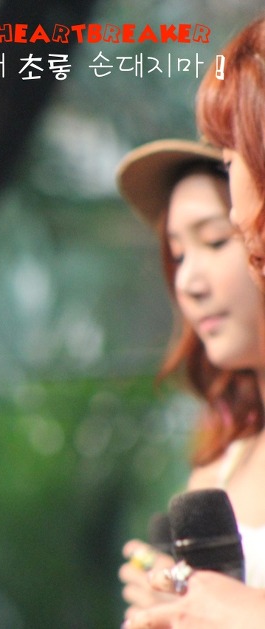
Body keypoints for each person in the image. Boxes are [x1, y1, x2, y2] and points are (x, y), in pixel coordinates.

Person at [122, 15, 265, 629]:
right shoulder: (219, 465)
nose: (189, 281)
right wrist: (175, 606)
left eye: (213, 241)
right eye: (177, 255)